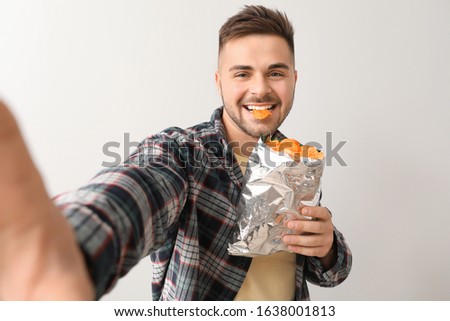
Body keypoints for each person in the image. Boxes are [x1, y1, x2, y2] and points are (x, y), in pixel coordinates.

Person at [0, 5, 351, 301]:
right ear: (219, 83)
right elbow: (137, 191)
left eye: (275, 72)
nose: (260, 89)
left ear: (294, 79)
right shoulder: (179, 153)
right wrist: (72, 252)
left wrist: (328, 247)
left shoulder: (298, 160)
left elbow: (334, 273)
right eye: (242, 73)